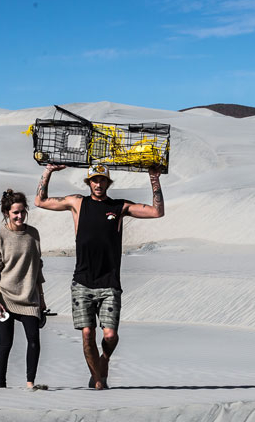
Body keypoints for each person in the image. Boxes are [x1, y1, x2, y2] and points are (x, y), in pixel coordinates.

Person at [34, 162, 164, 389]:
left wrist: (154, 179)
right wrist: (48, 171)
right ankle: (97, 380)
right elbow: (40, 201)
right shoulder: (77, 203)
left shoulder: (119, 206)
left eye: (102, 180)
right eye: (94, 180)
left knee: (110, 335)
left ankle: (104, 360)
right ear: (89, 182)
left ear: (108, 182)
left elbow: (156, 212)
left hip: (109, 282)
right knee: (87, 334)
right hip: (82, 281)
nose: (98, 184)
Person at [0, 189, 48, 390]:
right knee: (6, 344)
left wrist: (42, 298)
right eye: (15, 213)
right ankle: (1, 387)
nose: (19, 216)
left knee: (34, 342)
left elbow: (37, 267)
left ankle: (30, 383)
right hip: (5, 298)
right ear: (6, 213)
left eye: (22, 211)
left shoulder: (33, 234)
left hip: (29, 298)